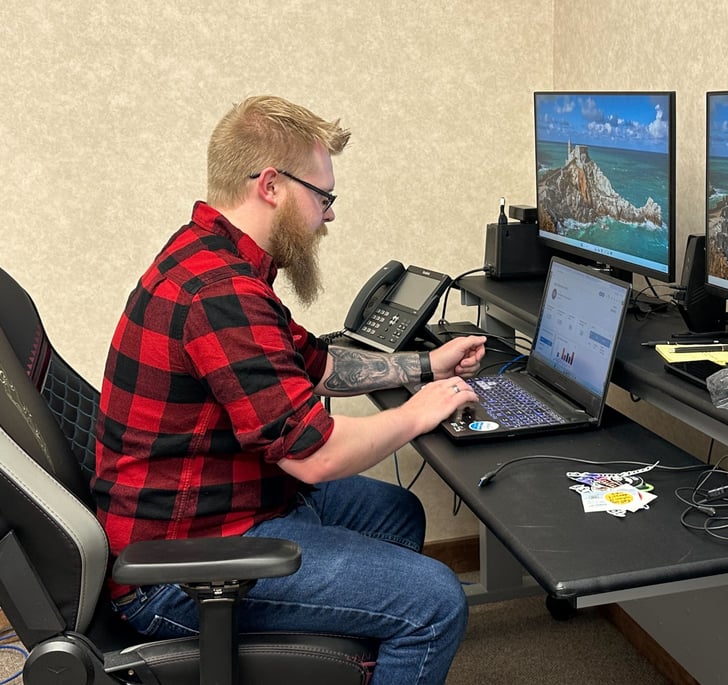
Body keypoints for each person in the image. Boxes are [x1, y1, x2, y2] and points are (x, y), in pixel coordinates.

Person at [92, 95, 486, 685]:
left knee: (396, 511)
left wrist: (425, 366)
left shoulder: (214, 257)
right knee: (434, 601)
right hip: (177, 570)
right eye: (323, 197)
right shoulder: (220, 293)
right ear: (272, 186)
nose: (328, 215)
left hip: (226, 505)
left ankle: (335, 661)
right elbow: (316, 455)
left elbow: (318, 365)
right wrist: (420, 413)